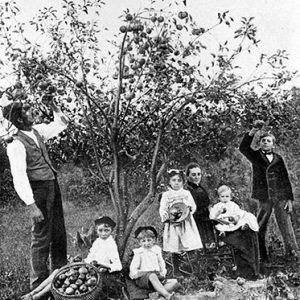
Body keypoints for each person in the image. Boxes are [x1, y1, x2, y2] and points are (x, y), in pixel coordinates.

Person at [3, 100, 68, 291]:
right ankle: (38, 286)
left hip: (51, 185)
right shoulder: (15, 143)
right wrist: (31, 205)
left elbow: (62, 124)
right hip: (38, 190)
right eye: (27, 111)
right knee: (41, 238)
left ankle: (60, 278)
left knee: (58, 233)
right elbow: (19, 176)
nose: (32, 113)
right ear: (18, 118)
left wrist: (55, 106)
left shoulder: (37, 131)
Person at [21, 216, 122, 300]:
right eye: (100, 230)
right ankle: (34, 292)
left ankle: (36, 296)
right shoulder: (98, 241)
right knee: (57, 271)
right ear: (96, 230)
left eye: (107, 230)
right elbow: (90, 257)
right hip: (87, 267)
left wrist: (103, 265)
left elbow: (118, 266)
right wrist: (80, 261)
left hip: (97, 272)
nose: (103, 233)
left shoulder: (111, 245)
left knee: (62, 275)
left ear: (112, 231)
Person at [239, 120, 299, 262]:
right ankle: (261, 256)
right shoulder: (256, 157)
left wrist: (289, 199)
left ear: (273, 144)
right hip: (264, 197)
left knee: (286, 226)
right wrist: (253, 130)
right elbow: (243, 147)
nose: (265, 142)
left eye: (268, 141)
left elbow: (285, 179)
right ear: (260, 143)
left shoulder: (279, 159)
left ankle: (292, 255)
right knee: (259, 226)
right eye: (263, 140)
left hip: (281, 197)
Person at [210, 185, 260, 280]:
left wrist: (235, 219)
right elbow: (212, 217)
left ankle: (253, 270)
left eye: (227, 196)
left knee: (247, 219)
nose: (225, 199)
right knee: (241, 239)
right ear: (219, 197)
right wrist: (219, 213)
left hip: (233, 225)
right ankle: (246, 271)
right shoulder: (217, 206)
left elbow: (238, 214)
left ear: (230, 197)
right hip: (223, 226)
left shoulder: (232, 205)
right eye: (222, 196)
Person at [159, 169, 202, 275]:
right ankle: (176, 270)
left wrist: (188, 209)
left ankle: (193, 269)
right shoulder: (166, 195)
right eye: (174, 180)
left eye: (179, 180)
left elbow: (193, 206)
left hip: (186, 223)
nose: (177, 182)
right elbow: (162, 208)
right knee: (175, 245)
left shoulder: (186, 193)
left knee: (189, 244)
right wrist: (167, 216)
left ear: (183, 182)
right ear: (169, 182)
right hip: (173, 224)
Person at [129, 226, 180, 300]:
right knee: (152, 275)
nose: (147, 243)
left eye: (149, 240)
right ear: (139, 242)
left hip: (156, 275)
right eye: (143, 241)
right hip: (143, 277)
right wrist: (137, 274)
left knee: (174, 282)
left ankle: (156, 294)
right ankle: (167, 295)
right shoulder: (139, 253)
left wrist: (163, 273)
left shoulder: (156, 250)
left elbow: (161, 262)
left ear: (154, 240)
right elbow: (133, 268)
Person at [185, 162, 215, 248]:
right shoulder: (189, 190)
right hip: (199, 220)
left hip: (205, 216)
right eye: (193, 175)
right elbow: (194, 208)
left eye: (199, 174)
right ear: (187, 176)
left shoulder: (200, 187)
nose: (197, 177)